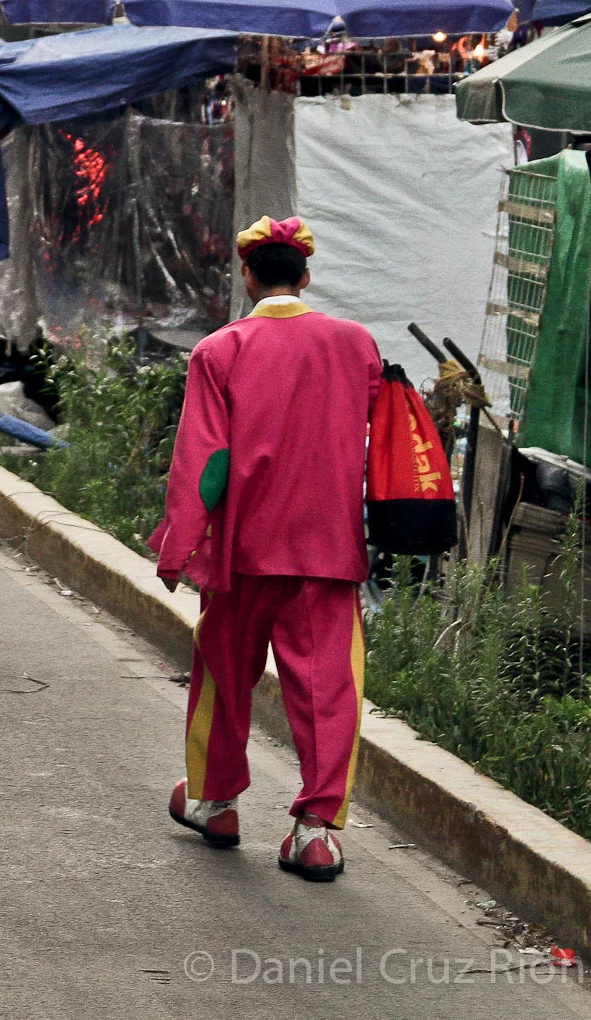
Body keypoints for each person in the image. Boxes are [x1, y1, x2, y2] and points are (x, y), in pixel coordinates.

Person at [154, 216, 382, 883]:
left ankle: (215, 801)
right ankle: (314, 834)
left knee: (223, 673)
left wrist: (178, 546)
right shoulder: (356, 344)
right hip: (329, 548)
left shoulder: (219, 351)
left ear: (247, 277)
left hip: (244, 550)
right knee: (328, 689)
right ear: (305, 276)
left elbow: (205, 461)